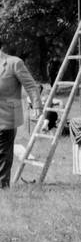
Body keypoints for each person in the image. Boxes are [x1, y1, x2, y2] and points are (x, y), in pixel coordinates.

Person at [0, 43, 42, 188]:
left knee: (3, 152)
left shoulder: (14, 63)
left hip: (7, 116)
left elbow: (31, 85)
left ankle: (2, 185)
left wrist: (37, 105)